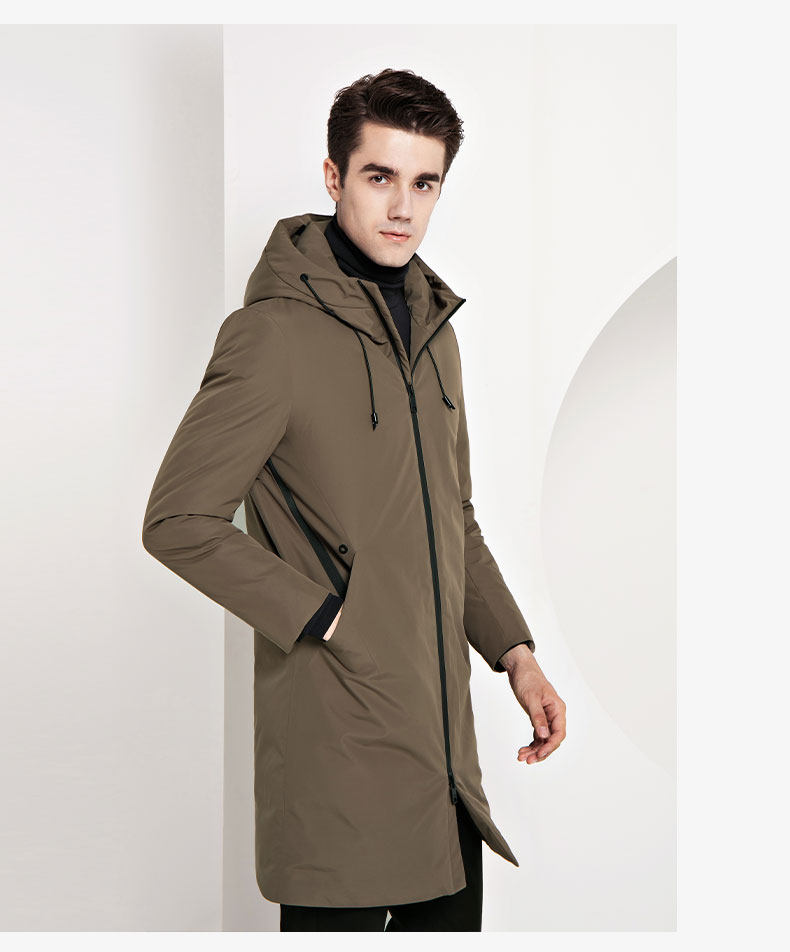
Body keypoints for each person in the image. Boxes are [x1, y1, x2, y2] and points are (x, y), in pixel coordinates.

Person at [142, 67, 566, 932]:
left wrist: (515, 653)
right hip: (338, 750)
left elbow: (455, 518)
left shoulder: (436, 337)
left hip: (443, 763)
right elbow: (177, 520)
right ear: (335, 177)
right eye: (380, 177)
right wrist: (322, 614)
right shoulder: (272, 336)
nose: (403, 207)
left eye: (425, 183)